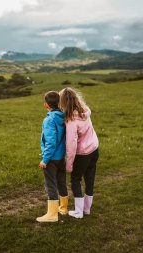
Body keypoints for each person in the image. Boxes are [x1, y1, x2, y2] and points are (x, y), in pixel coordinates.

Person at [59, 88, 99, 219]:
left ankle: (78, 212)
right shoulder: (84, 111)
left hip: (83, 153)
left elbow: (71, 145)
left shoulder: (71, 121)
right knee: (90, 177)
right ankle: (86, 209)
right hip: (94, 148)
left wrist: (69, 165)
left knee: (76, 179)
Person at [36, 91, 68, 222]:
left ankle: (52, 214)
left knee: (50, 184)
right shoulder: (64, 116)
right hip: (61, 157)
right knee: (61, 182)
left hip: (52, 158)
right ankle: (64, 208)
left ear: (45, 105)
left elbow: (50, 142)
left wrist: (45, 159)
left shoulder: (49, 120)